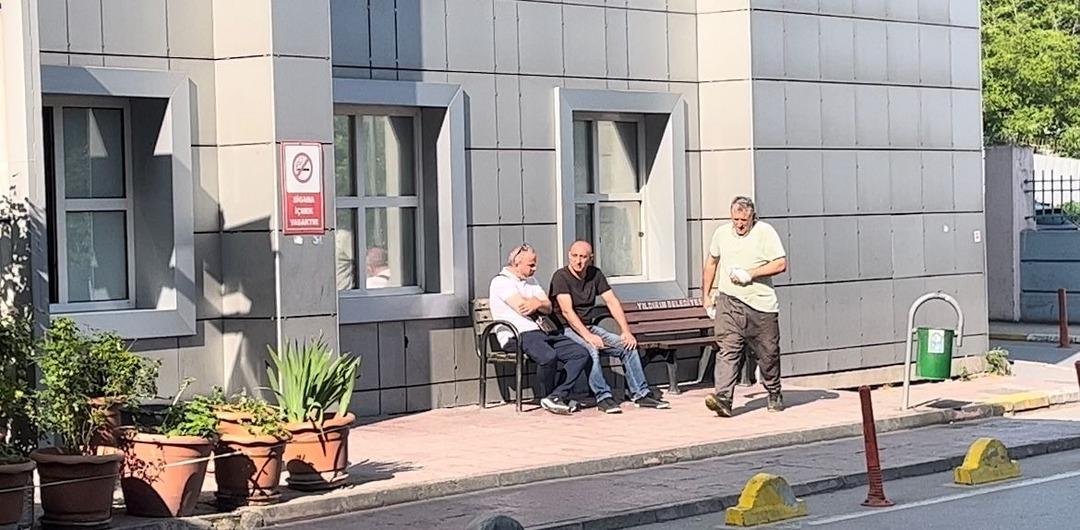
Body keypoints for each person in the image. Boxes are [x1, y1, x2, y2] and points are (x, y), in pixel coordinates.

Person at [549, 240, 670, 413]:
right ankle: (603, 397)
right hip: (566, 329)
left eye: (583, 257)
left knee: (627, 346)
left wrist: (626, 331)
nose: (578, 261)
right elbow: (567, 312)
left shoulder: (595, 274)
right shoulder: (561, 277)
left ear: (590, 258)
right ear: (569, 255)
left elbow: (612, 301)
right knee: (591, 349)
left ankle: (641, 394)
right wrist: (588, 337)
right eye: (574, 256)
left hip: (589, 326)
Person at [702, 196, 788, 417]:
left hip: (761, 306)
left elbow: (781, 264)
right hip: (729, 301)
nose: (739, 225)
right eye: (735, 220)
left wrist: (750, 274)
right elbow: (711, 262)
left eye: (744, 220)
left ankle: (774, 391)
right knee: (727, 350)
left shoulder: (765, 232)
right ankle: (723, 398)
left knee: (768, 354)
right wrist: (706, 295)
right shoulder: (722, 233)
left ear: (752, 217)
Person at [488, 244, 591, 415]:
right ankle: (549, 396)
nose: (535, 268)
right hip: (517, 335)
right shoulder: (501, 282)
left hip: (543, 331)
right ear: (517, 263)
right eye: (531, 265)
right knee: (548, 356)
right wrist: (537, 302)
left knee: (580, 353)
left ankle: (556, 396)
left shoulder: (531, 280)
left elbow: (548, 307)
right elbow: (523, 307)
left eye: (535, 264)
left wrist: (537, 303)